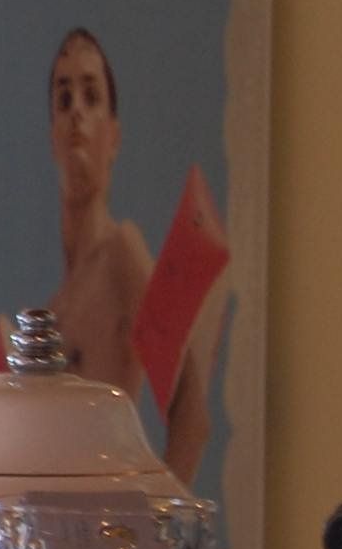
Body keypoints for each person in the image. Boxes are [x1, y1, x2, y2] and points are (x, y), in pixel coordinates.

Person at [38, 26, 213, 486]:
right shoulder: (54, 309)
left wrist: (161, 521)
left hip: (111, 514)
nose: (76, 111)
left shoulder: (123, 253)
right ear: (53, 135)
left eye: (91, 97)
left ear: (113, 136)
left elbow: (191, 412)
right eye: (64, 99)